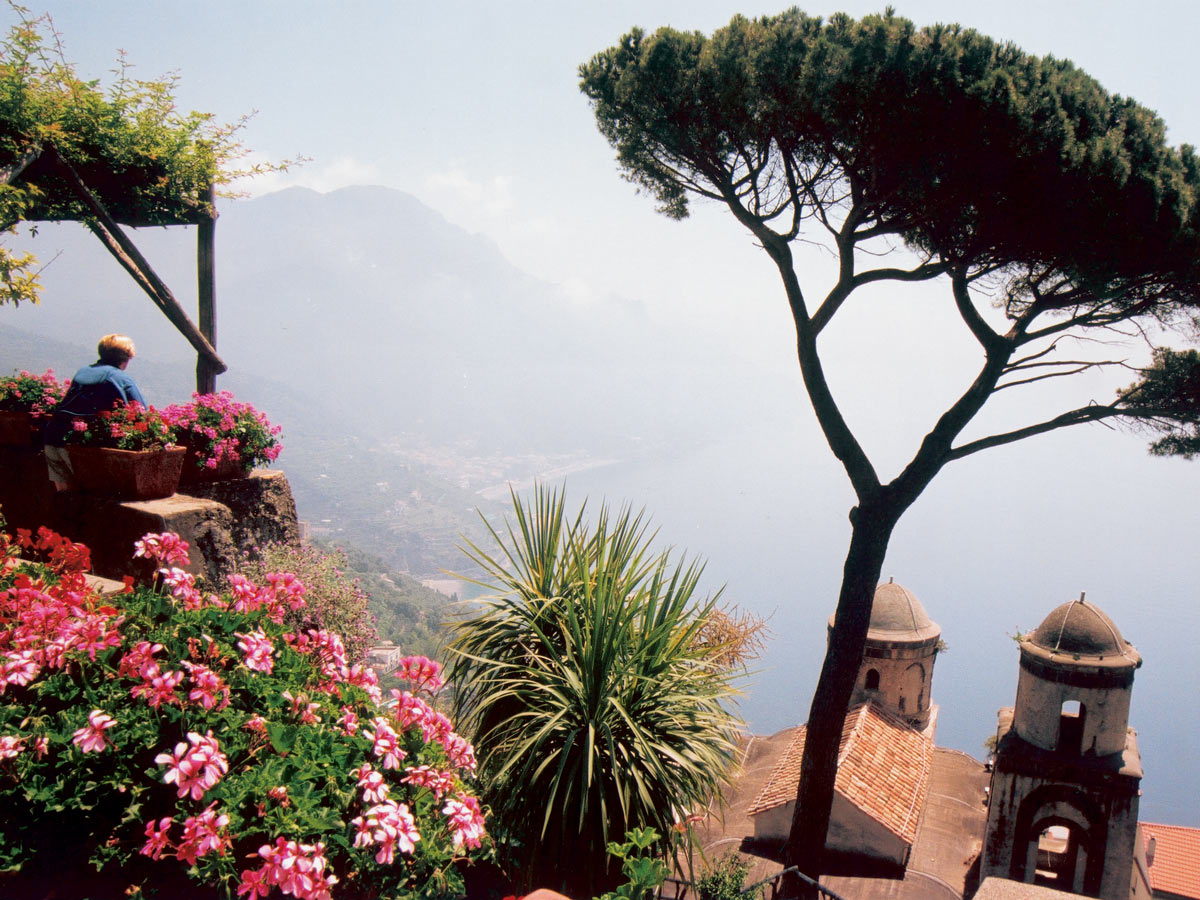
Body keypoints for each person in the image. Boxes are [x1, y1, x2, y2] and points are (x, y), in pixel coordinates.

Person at [44, 333, 147, 489]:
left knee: (64, 496)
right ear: (126, 357)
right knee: (90, 498)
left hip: (53, 437)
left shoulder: (83, 371)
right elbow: (141, 413)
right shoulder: (120, 378)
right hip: (81, 445)